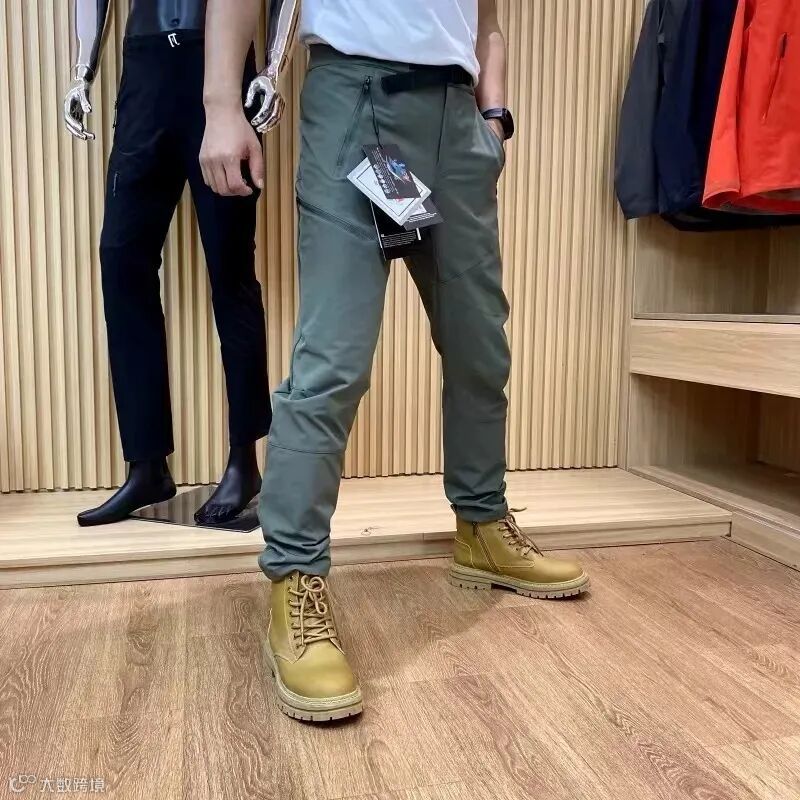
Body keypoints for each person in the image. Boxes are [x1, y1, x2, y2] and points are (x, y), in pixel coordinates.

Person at [200, 0, 590, 723]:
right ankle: (294, 577)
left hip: (456, 124)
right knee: (334, 359)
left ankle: (482, 526)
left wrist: (494, 119)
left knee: (480, 345)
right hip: (358, 107)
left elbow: (487, 21)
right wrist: (221, 104)